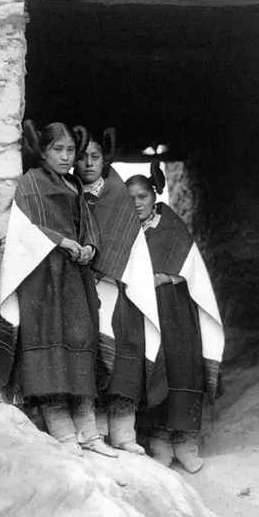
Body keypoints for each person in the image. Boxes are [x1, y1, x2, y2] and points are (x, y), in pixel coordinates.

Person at [0, 120, 117, 458]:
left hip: (74, 276)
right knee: (48, 342)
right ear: (43, 152)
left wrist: (89, 245)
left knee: (79, 339)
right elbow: (22, 229)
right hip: (42, 277)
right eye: (58, 150)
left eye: (70, 151)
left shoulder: (75, 185)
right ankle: (62, 428)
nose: (65, 157)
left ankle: (89, 432)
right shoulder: (31, 183)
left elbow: (88, 225)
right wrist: (59, 240)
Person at [127, 165, 224, 473]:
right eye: (130, 199)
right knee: (154, 369)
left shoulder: (170, 225)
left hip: (175, 312)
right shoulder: (124, 231)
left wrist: (165, 277)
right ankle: (159, 443)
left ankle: (185, 444)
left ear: (154, 195)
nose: (138, 203)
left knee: (182, 367)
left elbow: (191, 265)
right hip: (143, 313)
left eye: (143, 196)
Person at [75, 129, 163, 454]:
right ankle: (94, 430)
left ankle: (124, 433)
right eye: (82, 157)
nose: (88, 163)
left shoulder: (117, 195)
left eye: (95, 157)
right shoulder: (69, 193)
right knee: (90, 351)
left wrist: (107, 268)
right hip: (81, 288)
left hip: (119, 286)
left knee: (125, 352)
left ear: (105, 159)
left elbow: (130, 243)